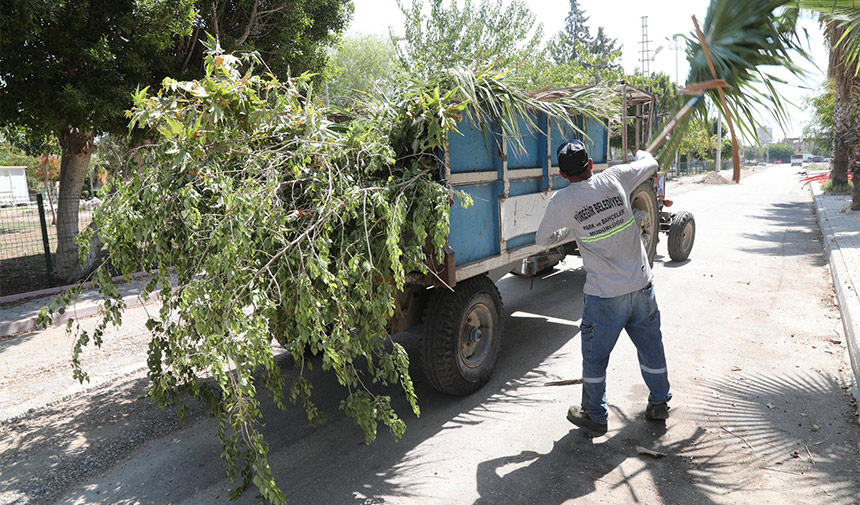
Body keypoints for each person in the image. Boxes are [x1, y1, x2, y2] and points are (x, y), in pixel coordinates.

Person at [535, 140, 672, 437]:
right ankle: (660, 403)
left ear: (563, 174)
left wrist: (570, 229)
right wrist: (640, 154)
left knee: (596, 358)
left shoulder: (562, 201)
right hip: (640, 285)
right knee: (652, 348)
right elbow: (650, 164)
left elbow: (542, 239)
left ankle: (595, 415)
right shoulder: (616, 176)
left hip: (604, 296)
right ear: (592, 165)